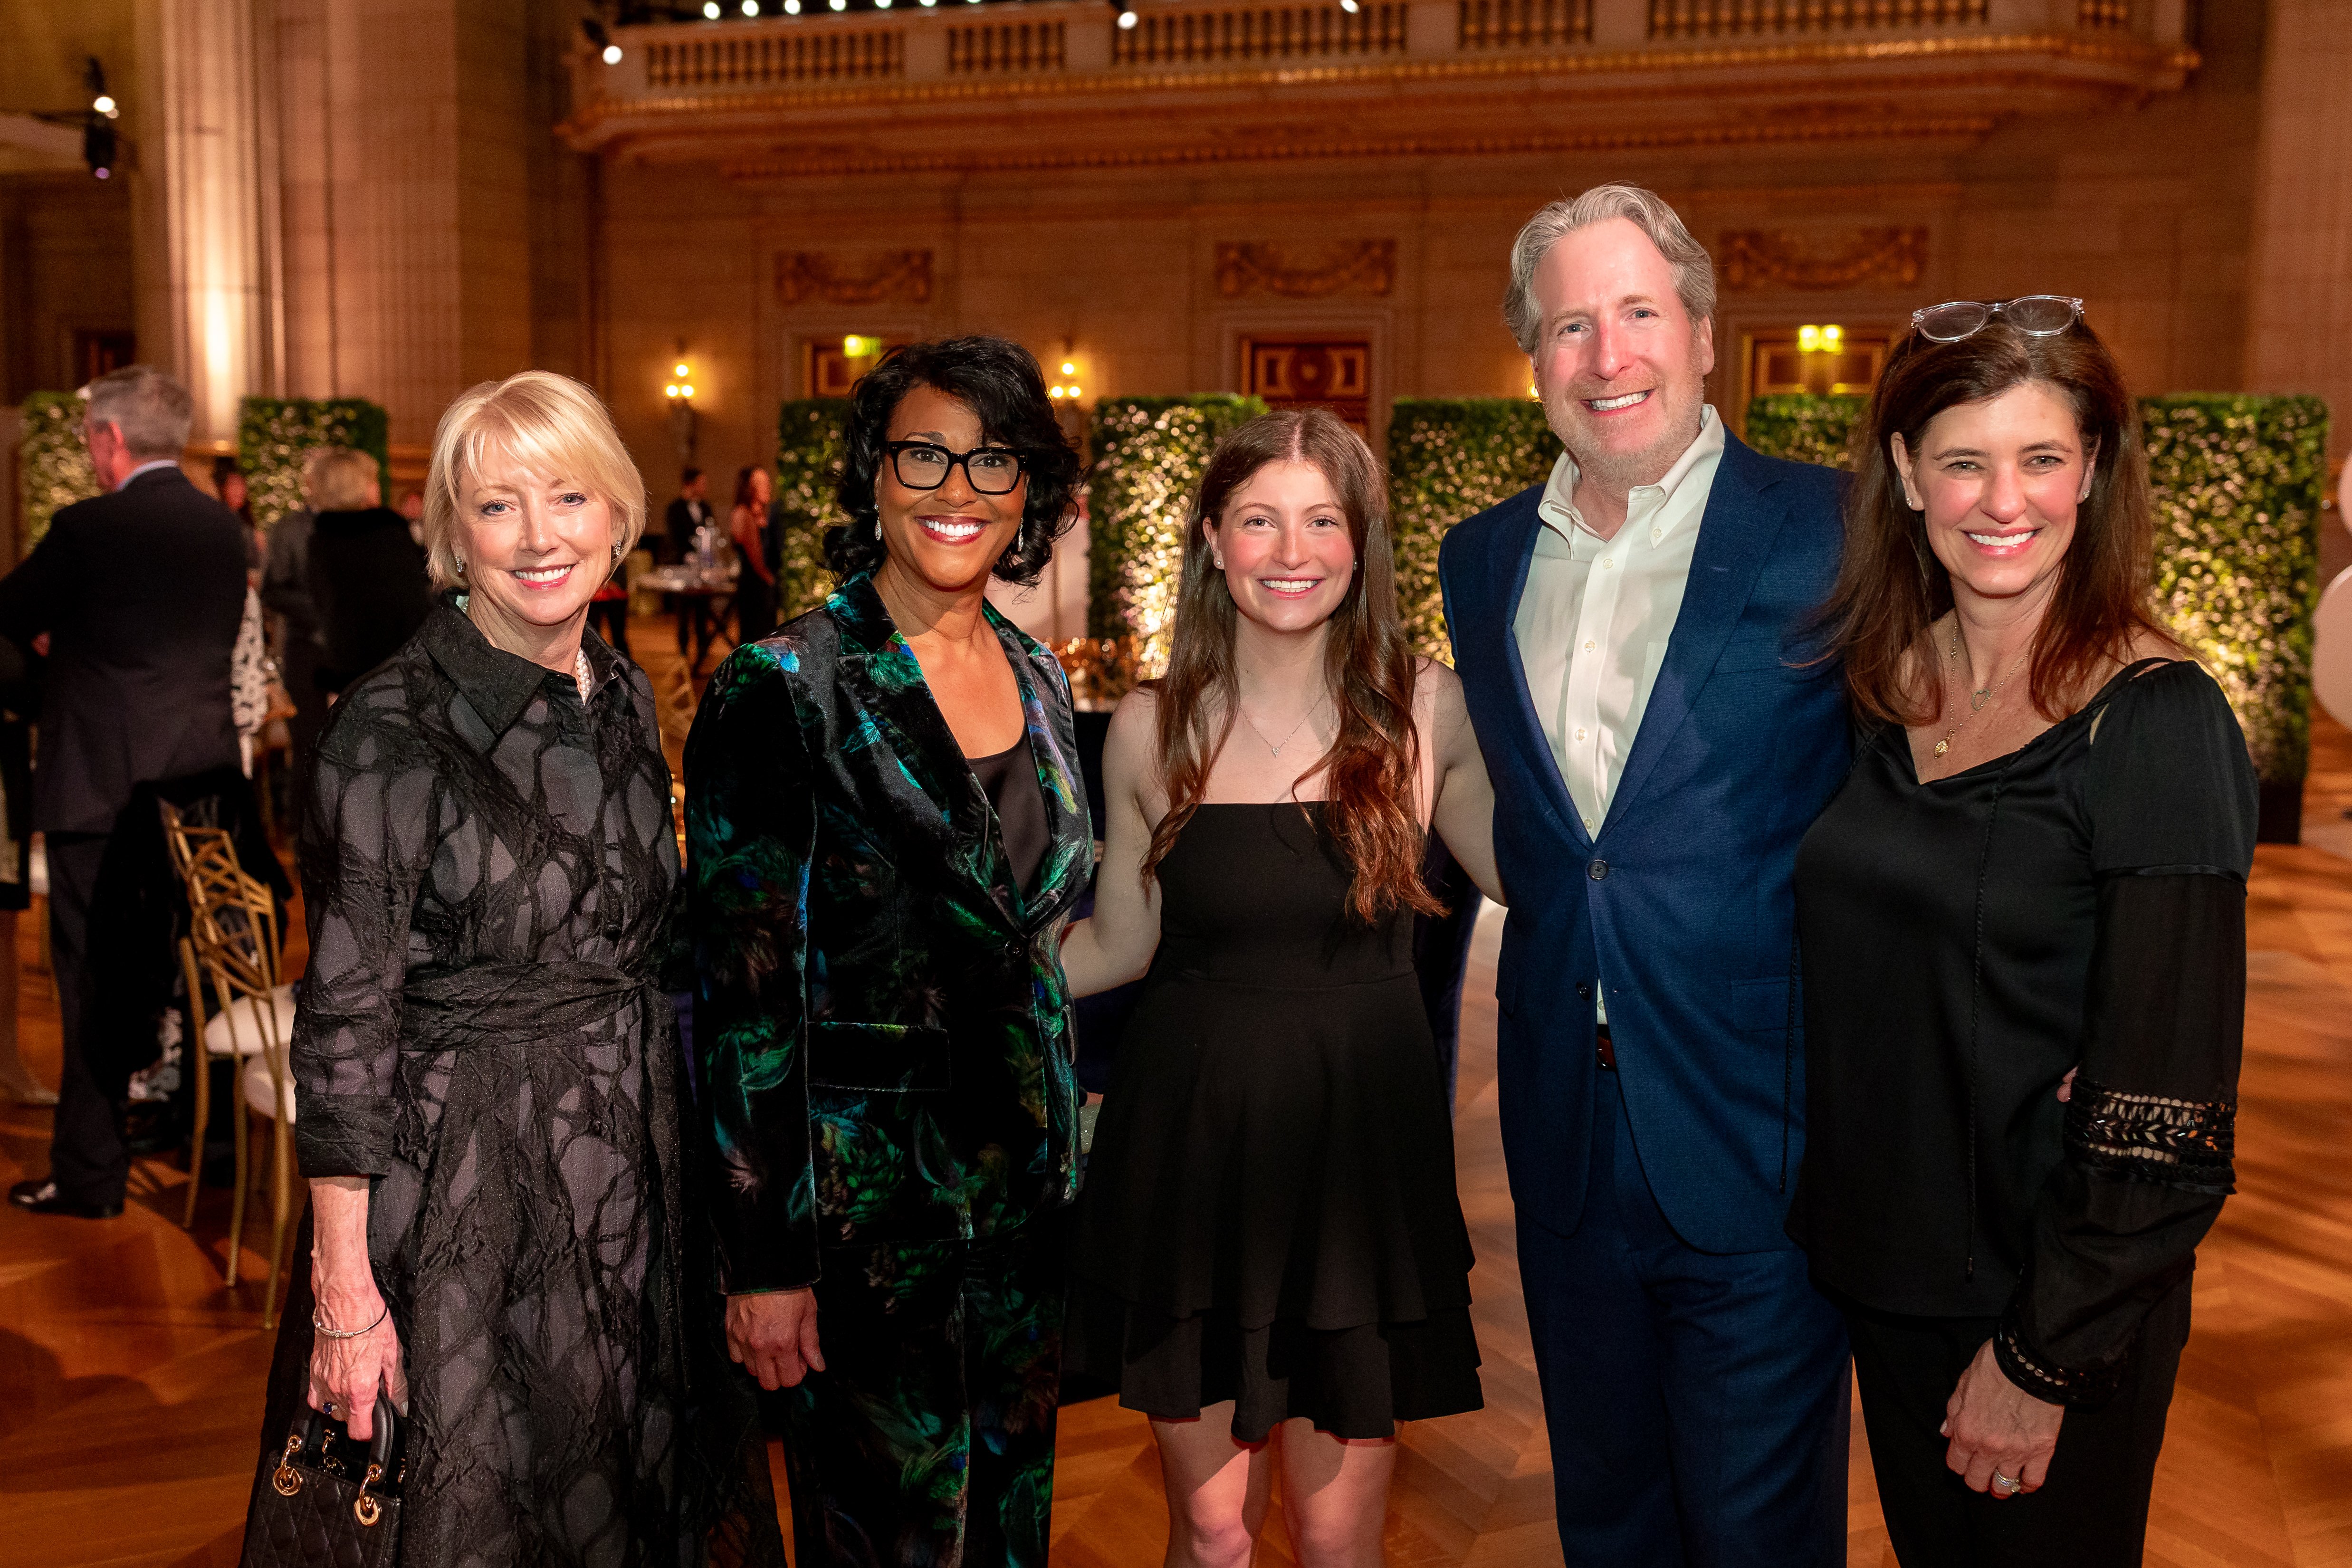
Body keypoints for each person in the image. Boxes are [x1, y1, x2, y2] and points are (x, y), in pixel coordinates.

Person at [242, 370, 784, 1565]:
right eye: (497, 507)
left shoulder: (622, 693)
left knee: (621, 1508)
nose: (540, 537)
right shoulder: (390, 728)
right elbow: (345, 1023)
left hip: (628, 1190)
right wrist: (344, 1290)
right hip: (465, 1207)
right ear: (454, 532)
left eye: (568, 497)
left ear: (618, 515)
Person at [1788, 298, 2256, 1566]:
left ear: (2091, 470)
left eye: (2041, 457)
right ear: (1904, 473)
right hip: (1886, 1278)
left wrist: (2040, 1356)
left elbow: (2168, 1107)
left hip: (2043, 1306)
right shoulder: (1880, 686)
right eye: (1963, 460)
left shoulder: (2156, 722)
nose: (2004, 500)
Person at [1437, 183, 1854, 1564]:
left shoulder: (1837, 530)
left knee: (1757, 1535)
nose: (1607, 355)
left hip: (1762, 1135)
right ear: (1532, 356)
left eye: (1638, 313)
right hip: (1564, 1132)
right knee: (1607, 1523)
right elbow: (1556, 840)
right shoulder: (1481, 559)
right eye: (1570, 325)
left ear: (1704, 333)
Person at [1058, 408, 1501, 1568]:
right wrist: (949, 975)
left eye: (1322, 520)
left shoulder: (1425, 709)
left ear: (1361, 543)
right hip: (1188, 1153)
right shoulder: (1150, 725)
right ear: (1212, 539)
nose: (1291, 551)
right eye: (1259, 520)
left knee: (1338, 1541)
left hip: (1361, 1162)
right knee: (1211, 1533)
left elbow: (1546, 881)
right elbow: (1119, 945)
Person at [686, 336, 1090, 1567]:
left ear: (1028, 493)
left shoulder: (1039, 674)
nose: (957, 490)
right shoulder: (781, 685)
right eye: (924, 455)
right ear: (873, 475)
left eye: (992, 461)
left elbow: (1028, 941)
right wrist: (764, 1263)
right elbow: (743, 998)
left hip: (1022, 1210)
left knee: (1010, 1531)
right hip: (862, 1229)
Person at [0, 366, 247, 1220]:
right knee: (203, 970)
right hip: (202, 785)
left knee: (92, 984)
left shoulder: (87, 528)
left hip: (99, 789)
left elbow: (5, 619)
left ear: (109, 438)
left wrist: (54, 664)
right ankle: (215, 1145)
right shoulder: (223, 529)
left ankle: (90, 1175)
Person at [303, 446, 433, 698]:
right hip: (395, 671)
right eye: (372, 481)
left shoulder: (320, 539)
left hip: (345, 668)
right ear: (357, 487)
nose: (377, 487)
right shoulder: (387, 534)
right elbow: (412, 606)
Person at [260, 454, 326, 797]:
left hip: (350, 651)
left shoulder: (361, 530)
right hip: (306, 648)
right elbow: (273, 590)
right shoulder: (290, 529)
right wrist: (321, 611)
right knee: (307, 743)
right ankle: (302, 821)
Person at [729, 465, 777, 644]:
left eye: (768, 483)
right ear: (749, 487)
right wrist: (770, 580)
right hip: (754, 588)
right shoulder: (742, 513)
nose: (767, 487)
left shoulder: (767, 515)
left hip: (764, 586)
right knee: (755, 639)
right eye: (761, 484)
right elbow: (755, 557)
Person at [665, 465, 714, 565]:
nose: (705, 488)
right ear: (691, 484)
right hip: (679, 562)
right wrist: (687, 556)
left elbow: (711, 531)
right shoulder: (674, 508)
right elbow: (674, 537)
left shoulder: (706, 507)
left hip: (704, 561)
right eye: (702, 484)